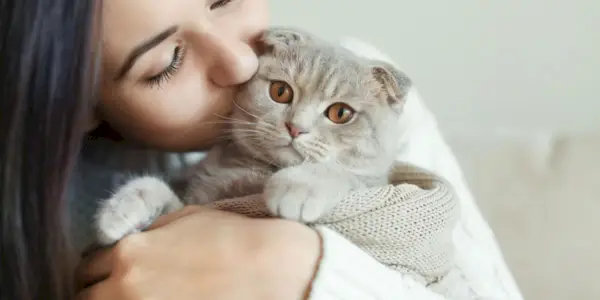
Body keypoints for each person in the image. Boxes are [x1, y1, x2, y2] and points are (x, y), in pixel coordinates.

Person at [0, 0, 524, 299]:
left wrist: (301, 267)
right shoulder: (38, 211)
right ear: (78, 103)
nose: (244, 62)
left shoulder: (363, 88)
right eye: (167, 62)